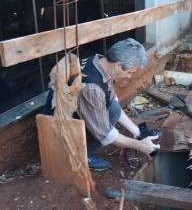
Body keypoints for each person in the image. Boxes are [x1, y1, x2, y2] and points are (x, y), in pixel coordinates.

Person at [44, 38, 160, 171]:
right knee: (104, 122)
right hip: (61, 132)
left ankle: (83, 147)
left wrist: (137, 132)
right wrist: (140, 146)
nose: (129, 77)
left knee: (114, 108)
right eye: (129, 72)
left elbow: (112, 100)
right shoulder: (93, 87)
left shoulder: (98, 63)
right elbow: (106, 134)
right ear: (118, 64)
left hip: (70, 115)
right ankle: (81, 156)